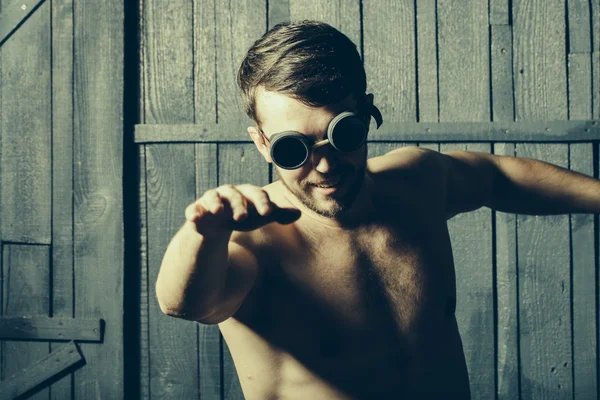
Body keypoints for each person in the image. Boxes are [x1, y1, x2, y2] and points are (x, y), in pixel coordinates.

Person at [155, 20, 600, 400]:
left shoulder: (417, 182)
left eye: (342, 133)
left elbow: (495, 177)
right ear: (263, 143)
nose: (325, 166)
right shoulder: (253, 238)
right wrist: (204, 233)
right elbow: (187, 303)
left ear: (366, 114)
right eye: (295, 149)